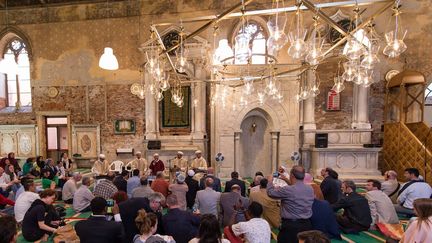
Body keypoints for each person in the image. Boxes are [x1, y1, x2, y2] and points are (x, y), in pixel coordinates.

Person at [267, 165, 314, 243]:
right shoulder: (310, 188)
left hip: (291, 227)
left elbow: (270, 193)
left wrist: (269, 181)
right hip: (306, 225)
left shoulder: (288, 190)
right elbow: (296, 190)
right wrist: (286, 179)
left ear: (292, 175)